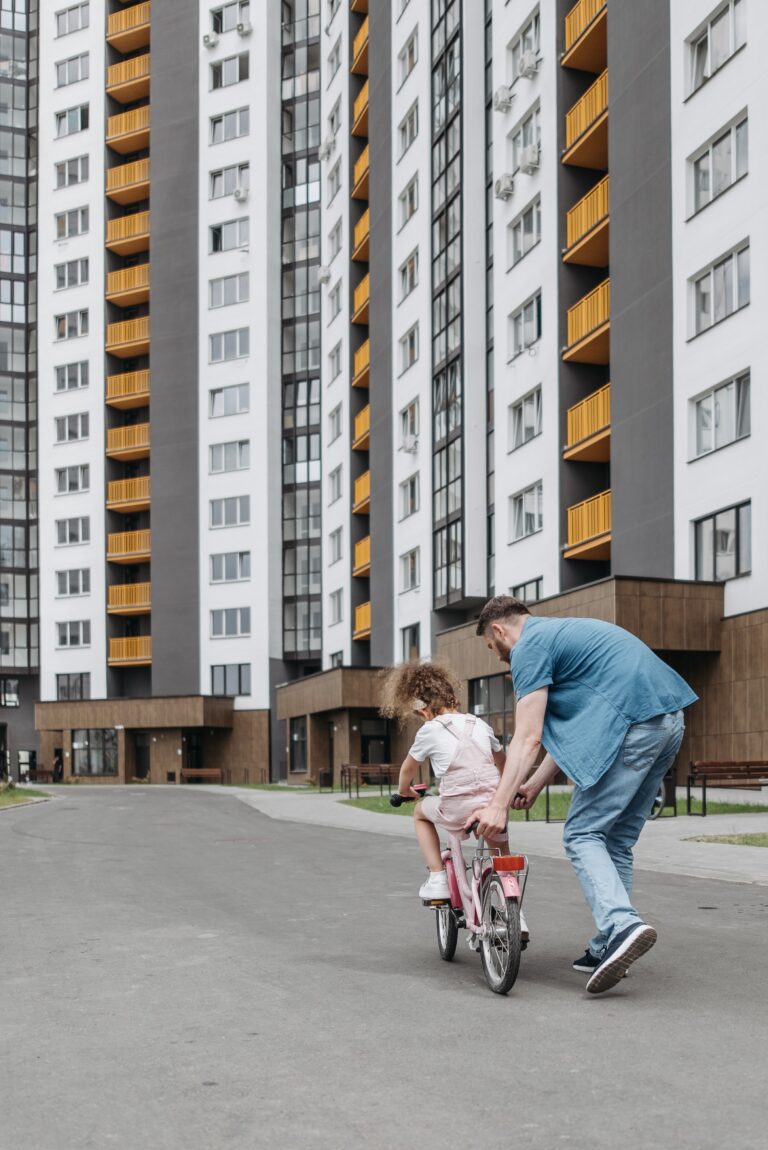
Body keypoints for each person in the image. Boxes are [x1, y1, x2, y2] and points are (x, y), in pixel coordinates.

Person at [471, 596, 697, 994]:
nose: (500, 658)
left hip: (636, 724)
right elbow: (577, 727)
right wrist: (537, 783)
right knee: (617, 841)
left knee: (581, 833)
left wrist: (497, 804)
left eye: (494, 649)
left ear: (499, 631)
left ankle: (622, 925)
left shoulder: (529, 648)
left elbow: (527, 737)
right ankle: (610, 943)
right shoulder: (563, 635)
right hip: (667, 720)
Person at [382, 662, 519, 904]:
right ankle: (517, 915)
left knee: (420, 813)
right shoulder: (480, 724)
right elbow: (503, 763)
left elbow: (408, 768)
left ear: (424, 710)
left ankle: (437, 878)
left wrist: (405, 791)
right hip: (491, 807)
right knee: (502, 857)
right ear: (453, 699)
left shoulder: (429, 730)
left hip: (457, 809)